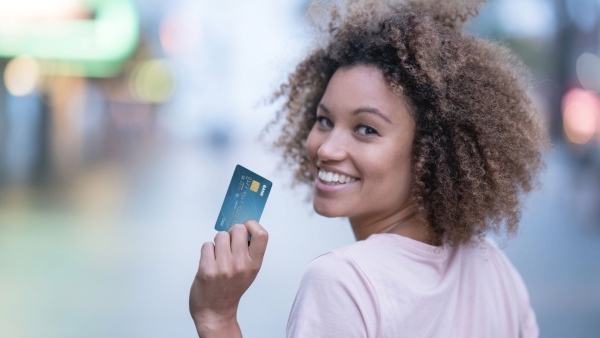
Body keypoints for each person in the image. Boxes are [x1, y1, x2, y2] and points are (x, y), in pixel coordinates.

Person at [189, 0, 548, 337]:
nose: (326, 149)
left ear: (431, 148)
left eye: (366, 129)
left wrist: (217, 318)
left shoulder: (343, 282)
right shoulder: (495, 267)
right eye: (324, 120)